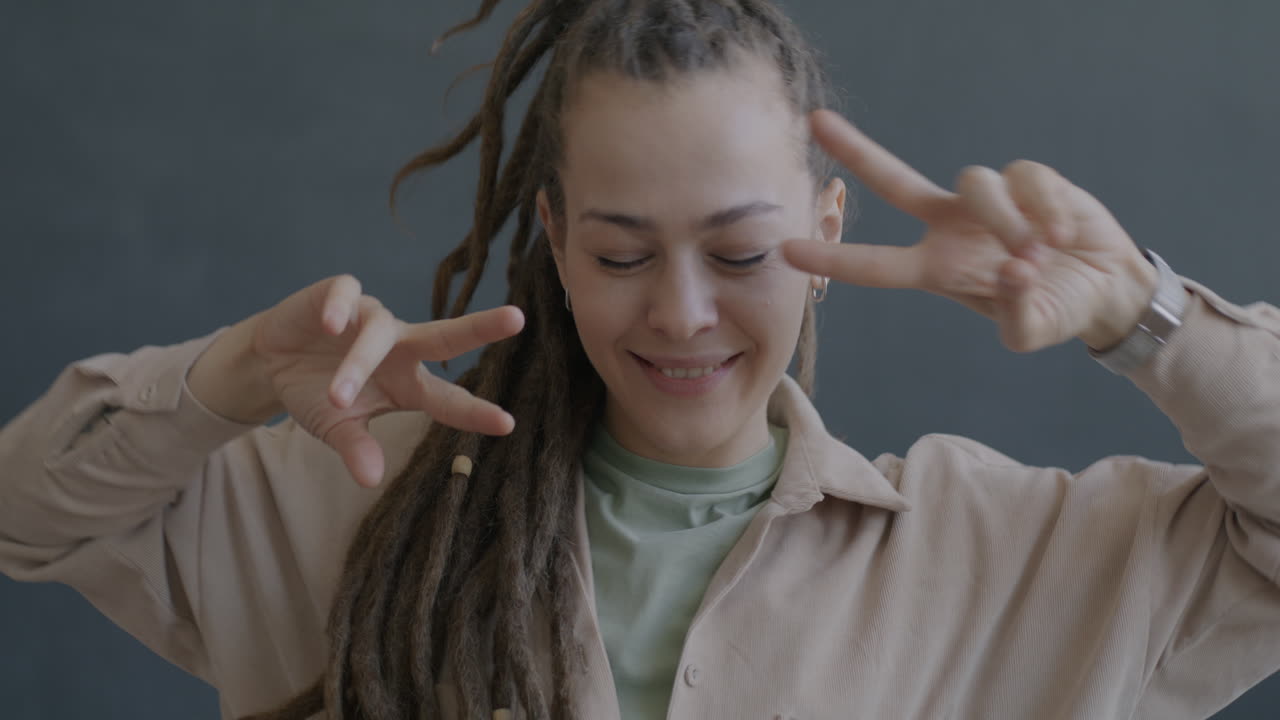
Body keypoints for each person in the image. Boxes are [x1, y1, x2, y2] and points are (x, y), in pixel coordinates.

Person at [2, 0, 1279, 718]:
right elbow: (26, 518)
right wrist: (223, 380)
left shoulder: (999, 557)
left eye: (737, 255)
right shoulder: (356, 499)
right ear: (551, 237)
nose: (677, 315)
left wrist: (1143, 316)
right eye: (619, 255)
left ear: (828, 228)